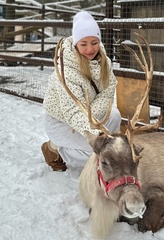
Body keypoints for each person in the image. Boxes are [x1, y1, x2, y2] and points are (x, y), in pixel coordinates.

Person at [41, 11, 122, 171]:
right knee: (100, 153)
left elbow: (108, 92)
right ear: (76, 44)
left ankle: (103, 153)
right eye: (83, 44)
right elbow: (72, 112)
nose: (90, 49)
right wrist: (96, 134)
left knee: (114, 116)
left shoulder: (103, 59)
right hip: (61, 122)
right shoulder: (66, 71)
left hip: (87, 113)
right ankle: (55, 148)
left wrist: (89, 120)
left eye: (94, 42)